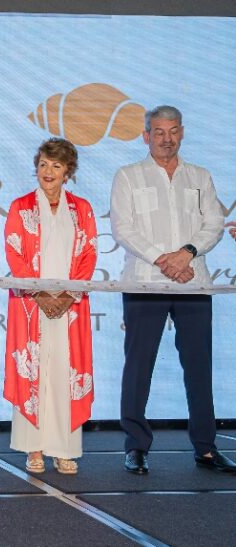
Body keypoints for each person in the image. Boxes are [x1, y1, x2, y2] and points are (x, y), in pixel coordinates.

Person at [111, 105, 235, 474]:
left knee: (199, 366)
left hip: (193, 281)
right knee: (138, 366)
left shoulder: (200, 176)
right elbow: (124, 228)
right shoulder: (128, 176)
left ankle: (206, 447)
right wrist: (164, 260)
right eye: (159, 132)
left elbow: (214, 223)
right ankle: (136, 446)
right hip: (145, 281)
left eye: (173, 131)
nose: (166, 139)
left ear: (182, 133)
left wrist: (186, 254)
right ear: (145, 135)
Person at [4, 138, 97, 475]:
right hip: (32, 306)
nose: (48, 171)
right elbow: (14, 253)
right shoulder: (20, 206)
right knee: (34, 372)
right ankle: (34, 448)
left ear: (67, 171)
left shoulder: (82, 209)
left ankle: (65, 449)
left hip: (70, 308)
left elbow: (88, 254)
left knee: (64, 374)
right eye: (43, 164)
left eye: (56, 166)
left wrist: (68, 297)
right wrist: (41, 295)